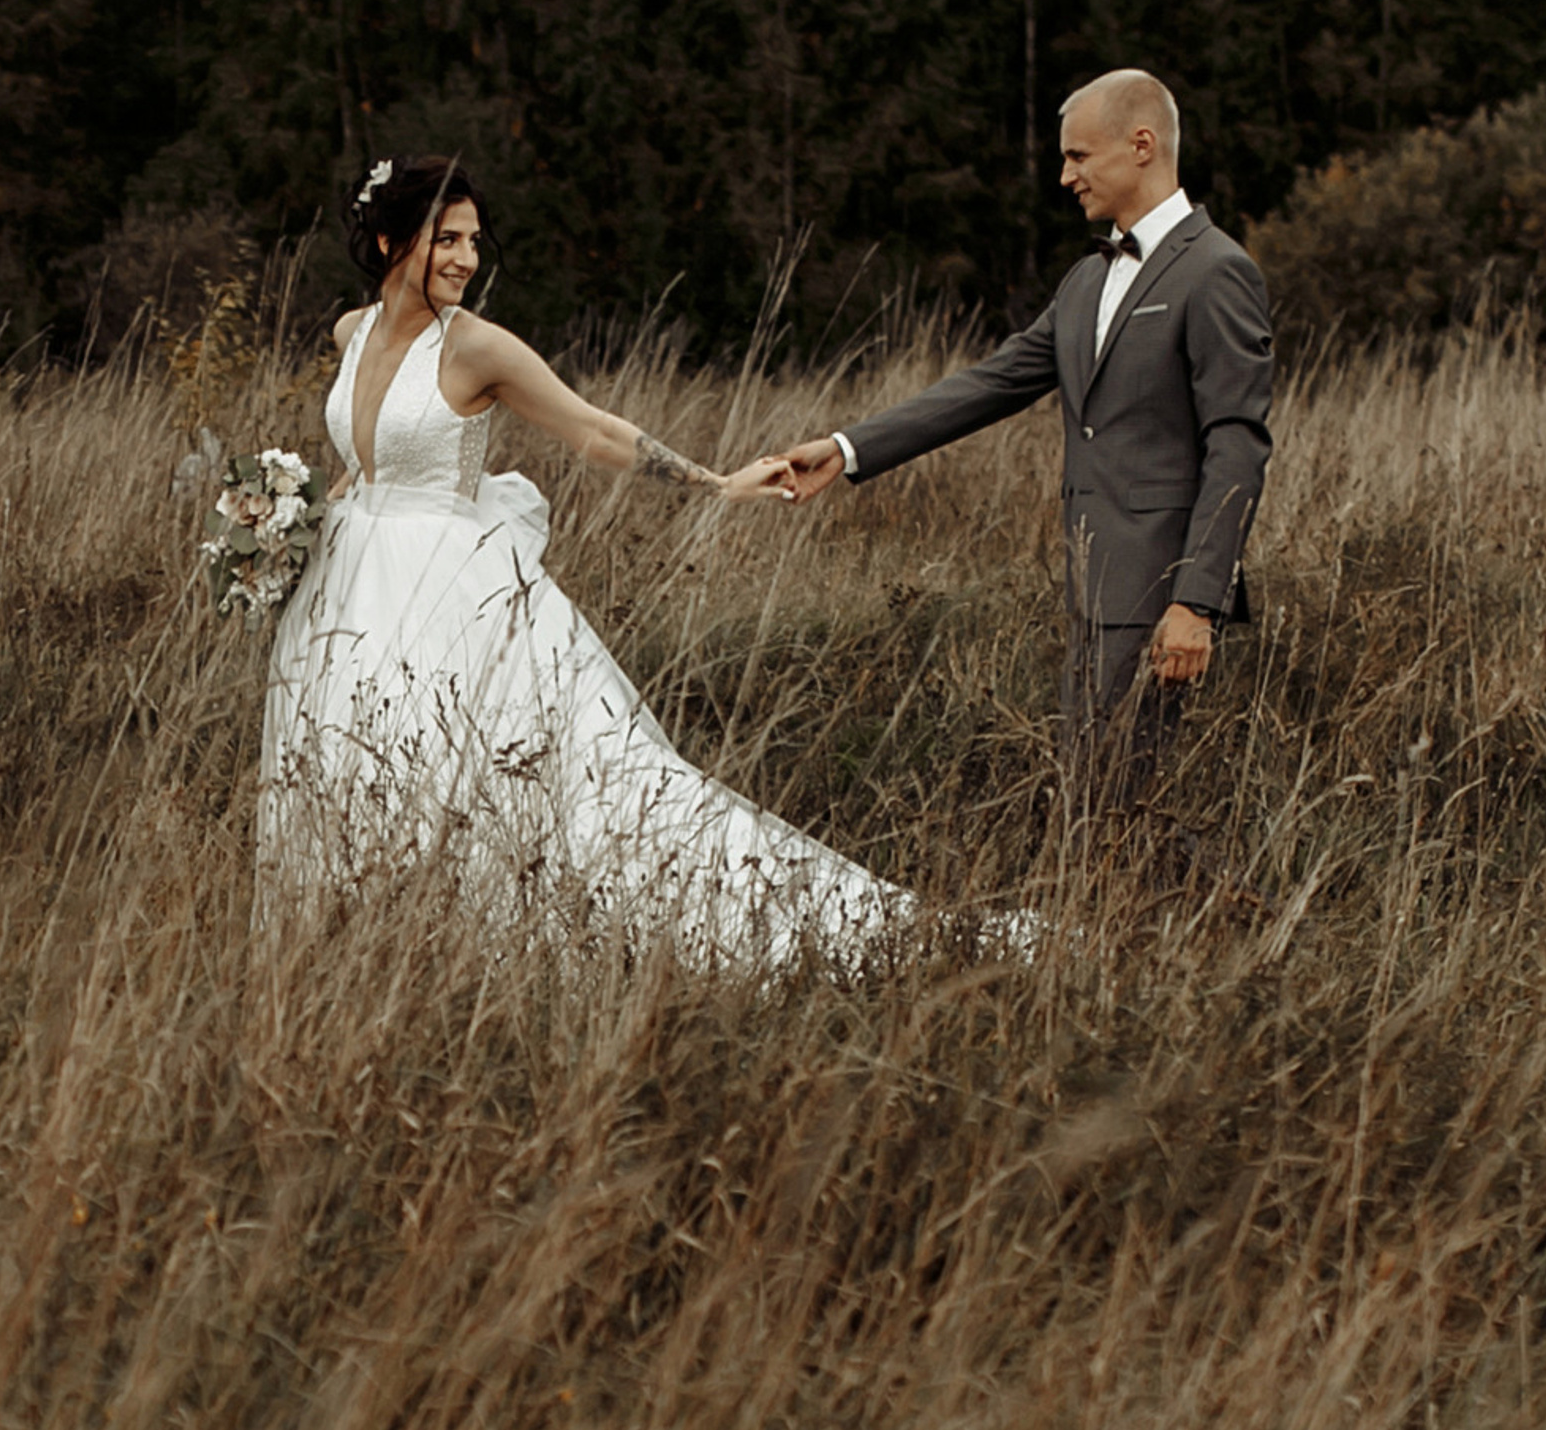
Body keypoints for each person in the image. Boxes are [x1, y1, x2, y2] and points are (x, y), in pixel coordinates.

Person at [259, 153, 984, 965]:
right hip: (350, 580)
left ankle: (507, 945)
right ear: (390, 240)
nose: (466, 259)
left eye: (473, 240)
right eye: (446, 239)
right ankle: (368, 950)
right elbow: (367, 463)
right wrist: (284, 523)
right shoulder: (351, 333)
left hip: (448, 588)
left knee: (490, 772)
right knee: (350, 763)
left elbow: (593, 429)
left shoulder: (477, 350)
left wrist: (715, 484)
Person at [750, 72, 1272, 845]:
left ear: (1142, 145)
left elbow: (1237, 443)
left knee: (1130, 814)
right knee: (1096, 809)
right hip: (1089, 591)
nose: (1065, 176)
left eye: (1078, 156)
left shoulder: (1217, 270)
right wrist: (848, 449)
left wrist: (1197, 603)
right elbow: (990, 384)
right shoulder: (1086, 279)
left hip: (1163, 600)